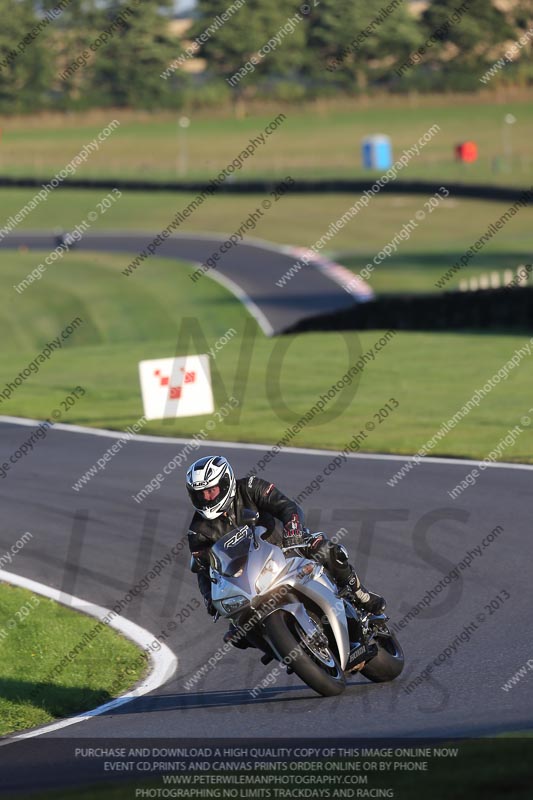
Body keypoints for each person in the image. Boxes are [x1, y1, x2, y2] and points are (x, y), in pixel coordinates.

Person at [186, 455, 385, 645]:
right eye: (200, 494)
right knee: (238, 632)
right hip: (250, 578)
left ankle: (361, 595)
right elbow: (204, 570)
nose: (206, 497)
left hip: (287, 546)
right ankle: (284, 646)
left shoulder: (249, 487)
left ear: (225, 482)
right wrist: (209, 599)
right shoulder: (198, 531)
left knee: (326, 550)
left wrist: (293, 529)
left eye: (211, 491)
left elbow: (287, 506)